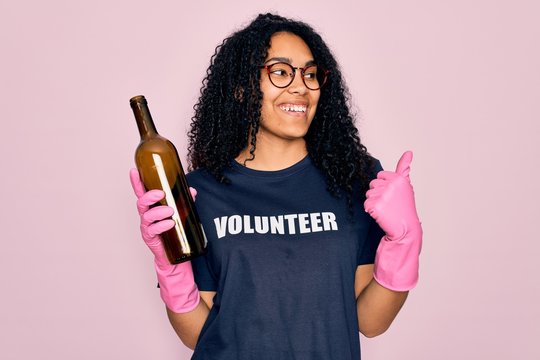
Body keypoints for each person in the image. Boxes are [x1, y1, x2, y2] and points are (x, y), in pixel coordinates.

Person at [129, 13, 422, 360]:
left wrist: (404, 241)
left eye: (310, 74)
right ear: (240, 88)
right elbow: (197, 336)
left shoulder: (354, 179)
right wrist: (171, 270)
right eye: (280, 71)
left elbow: (371, 322)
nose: (300, 86)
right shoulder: (200, 192)